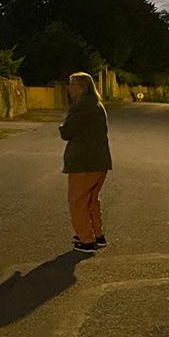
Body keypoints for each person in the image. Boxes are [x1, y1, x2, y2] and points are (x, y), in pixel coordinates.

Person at [60, 71, 112, 253]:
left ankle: (86, 240)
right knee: (92, 200)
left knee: (78, 202)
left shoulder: (80, 106)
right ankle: (97, 234)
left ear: (82, 87)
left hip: (83, 162)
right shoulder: (97, 105)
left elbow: (67, 132)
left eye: (72, 84)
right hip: (100, 161)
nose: (69, 88)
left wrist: (62, 127)